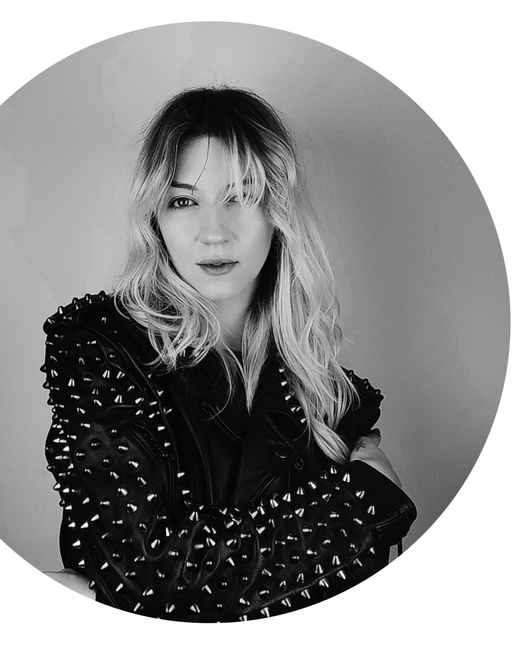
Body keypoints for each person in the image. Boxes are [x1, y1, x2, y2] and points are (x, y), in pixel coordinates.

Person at [42, 86, 416, 622]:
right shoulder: (102, 348)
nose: (214, 233)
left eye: (242, 196)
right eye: (183, 201)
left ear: (278, 212)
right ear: (155, 218)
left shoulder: (330, 396)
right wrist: (363, 505)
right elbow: (149, 578)